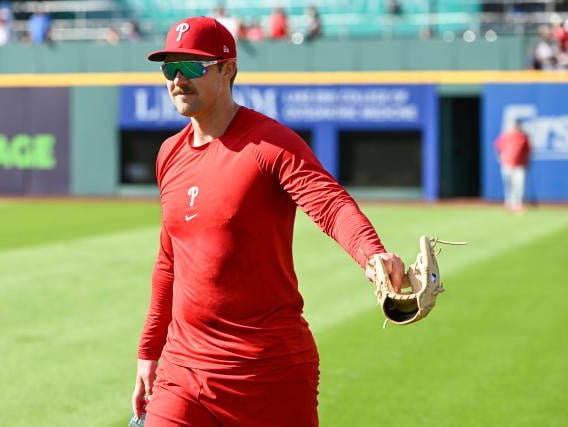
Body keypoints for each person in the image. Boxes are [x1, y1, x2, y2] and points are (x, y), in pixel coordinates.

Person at [130, 16, 406, 426]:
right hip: (183, 371)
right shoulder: (169, 153)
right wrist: (149, 352)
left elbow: (330, 204)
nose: (177, 80)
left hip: (267, 373)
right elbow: (169, 261)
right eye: (170, 68)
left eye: (192, 67)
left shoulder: (269, 144)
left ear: (228, 69)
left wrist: (373, 254)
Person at [494, 120, 531, 213]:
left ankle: (518, 204)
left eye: (517, 126)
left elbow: (528, 151)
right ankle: (509, 204)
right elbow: (497, 146)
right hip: (507, 164)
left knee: (519, 185)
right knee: (509, 185)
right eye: (514, 126)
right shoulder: (506, 135)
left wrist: (527, 162)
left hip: (520, 165)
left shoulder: (524, 137)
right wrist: (500, 158)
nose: (516, 127)